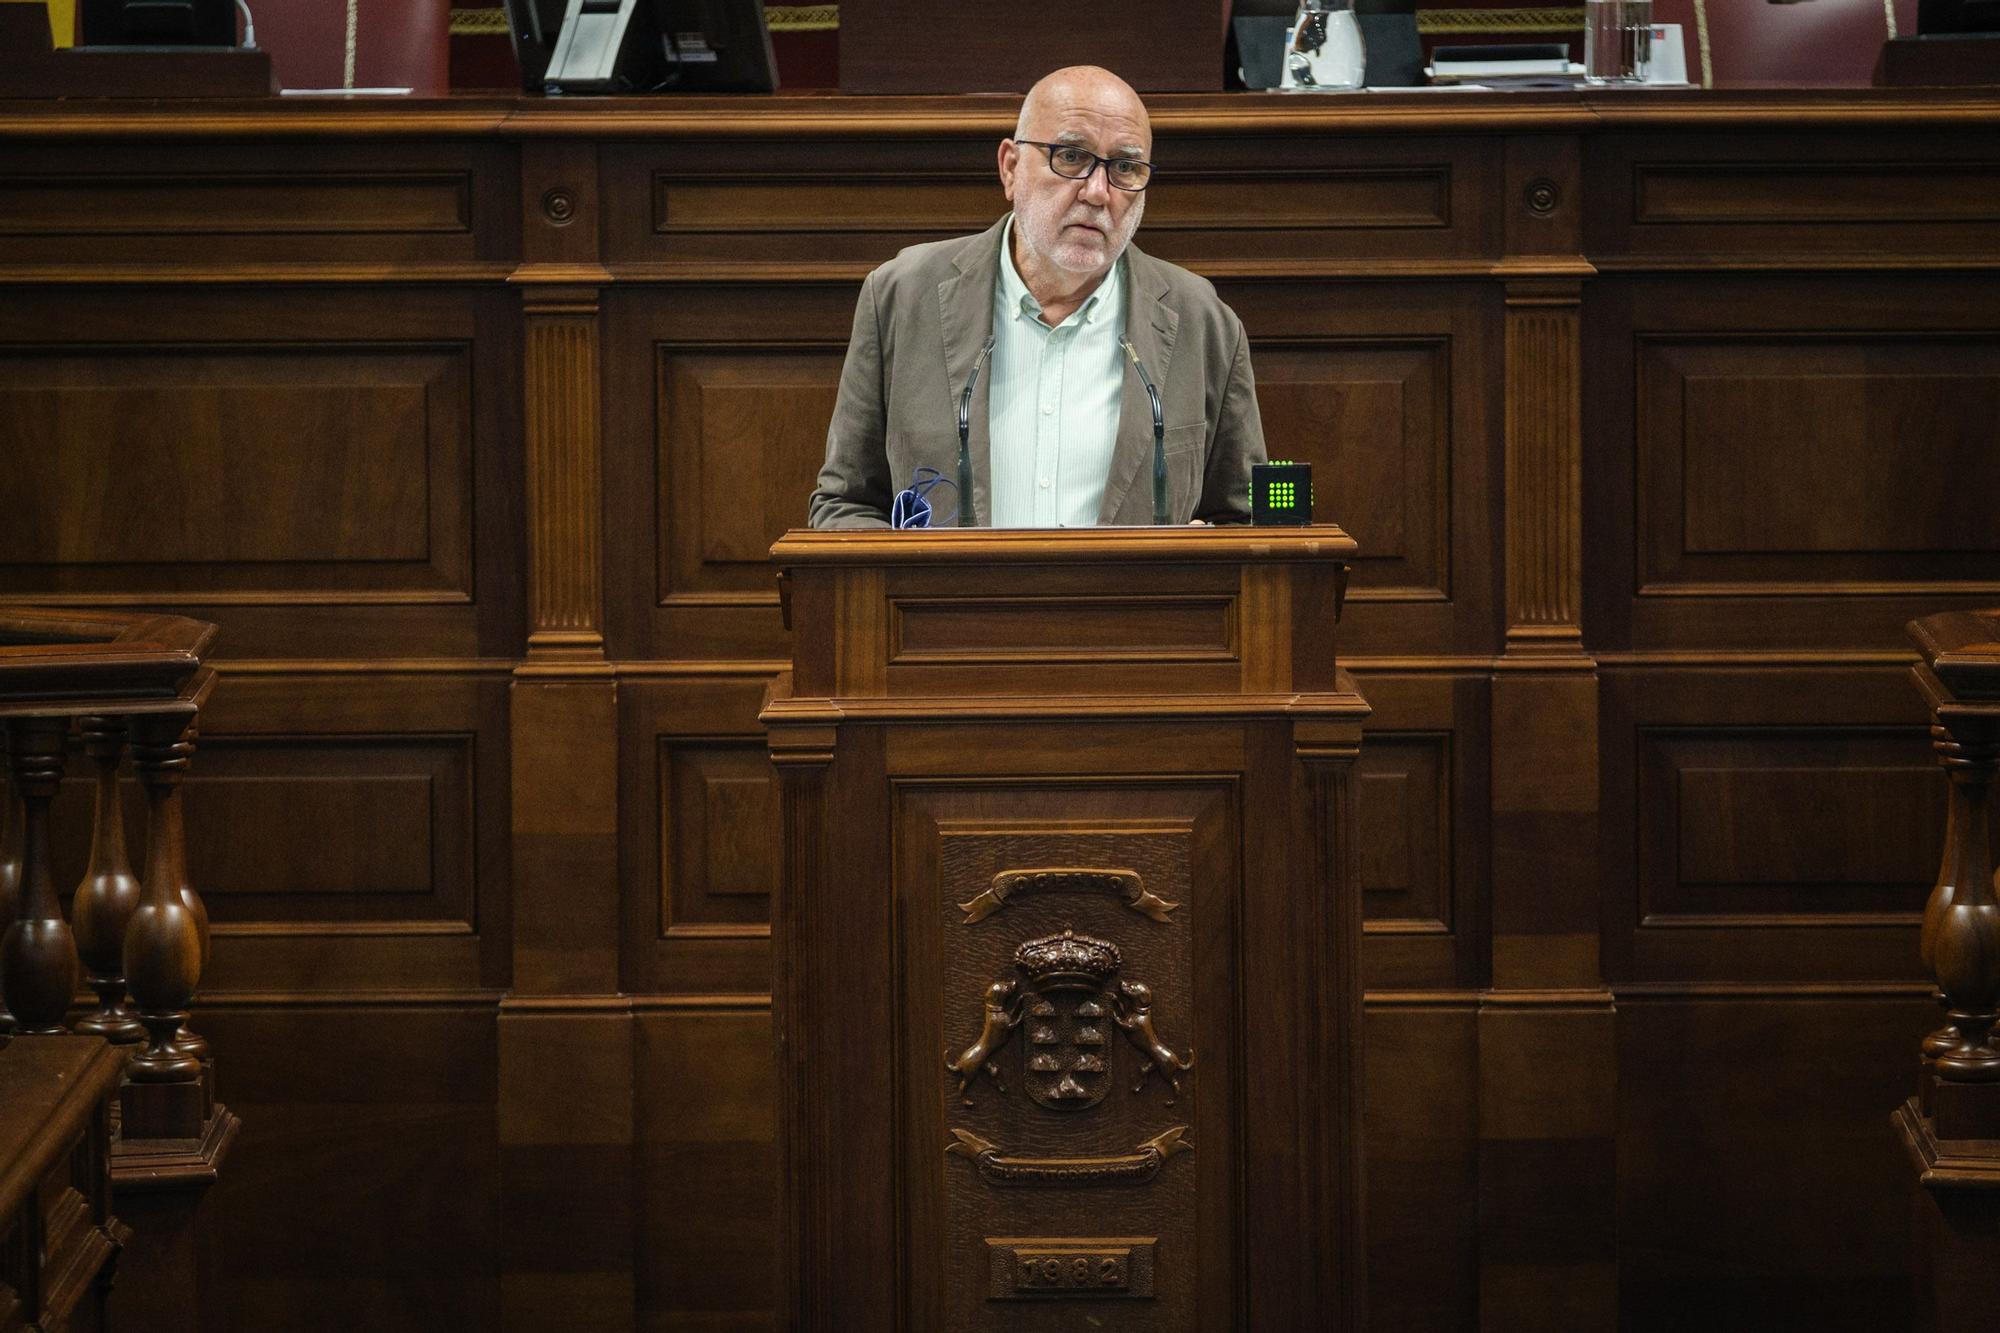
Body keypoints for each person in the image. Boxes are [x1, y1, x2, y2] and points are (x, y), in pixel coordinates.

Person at [808, 65, 1266, 529]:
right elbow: (845, 504)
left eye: (1125, 167)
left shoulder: (1201, 321)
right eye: (1070, 156)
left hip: (1129, 603)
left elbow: (1243, 520)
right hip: (947, 603)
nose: (1097, 192)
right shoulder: (901, 297)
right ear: (1010, 168)